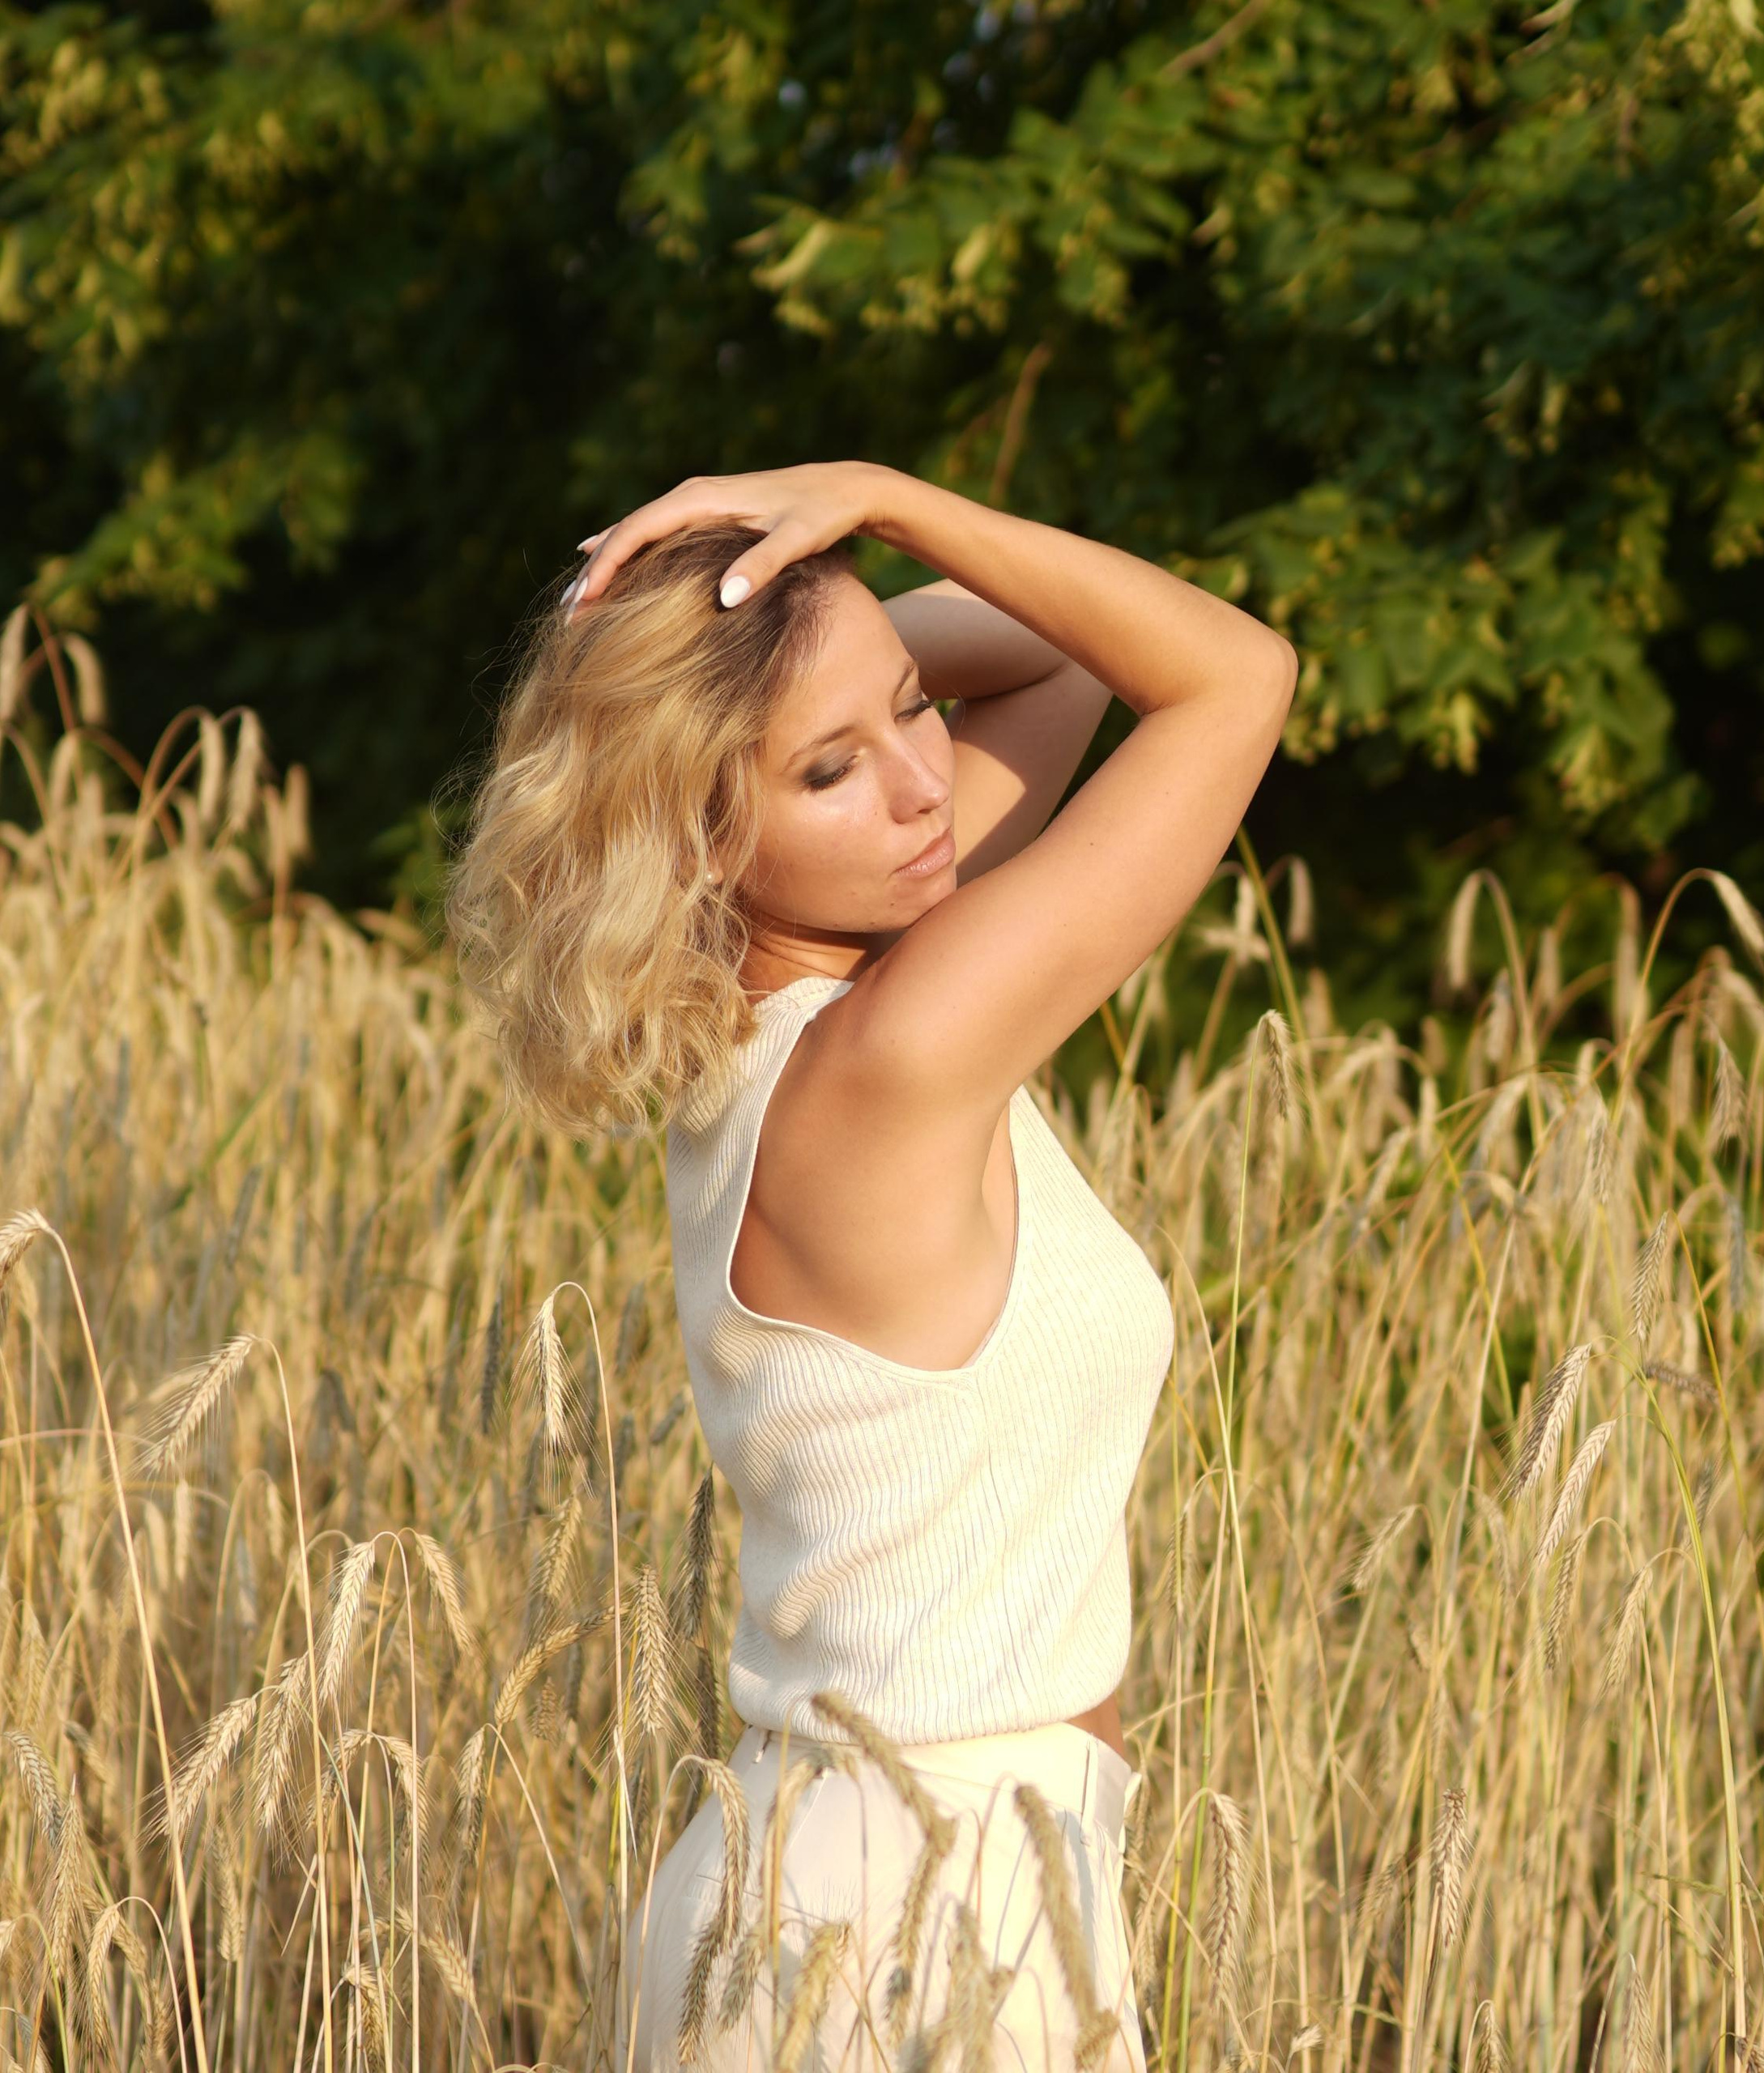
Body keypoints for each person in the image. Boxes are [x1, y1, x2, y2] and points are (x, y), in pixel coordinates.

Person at [443, 462, 1296, 2069]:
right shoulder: (891, 1054)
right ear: (697, 830)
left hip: (874, 1887)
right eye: (832, 768)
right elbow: (1225, 671)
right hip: (920, 1922)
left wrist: (776, 626)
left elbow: (1055, 656)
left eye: (913, 711)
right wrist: (878, 494)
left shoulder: (803, 1020)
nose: (920, 784)